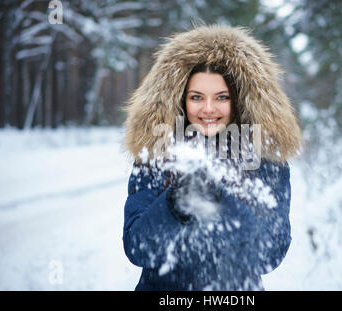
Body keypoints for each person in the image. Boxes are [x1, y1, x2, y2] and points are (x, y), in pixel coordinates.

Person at [122, 25, 303, 291]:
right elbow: (137, 248)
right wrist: (175, 203)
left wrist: (222, 199)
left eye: (222, 97)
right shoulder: (157, 153)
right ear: (181, 100)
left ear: (239, 101)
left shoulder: (264, 159)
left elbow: (268, 255)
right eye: (196, 97)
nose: (208, 109)